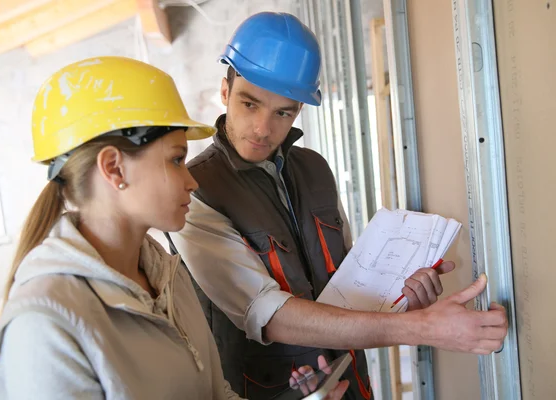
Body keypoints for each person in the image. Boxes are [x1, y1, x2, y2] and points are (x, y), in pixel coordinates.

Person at [166, 11, 509, 400]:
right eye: (249, 103)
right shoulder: (196, 191)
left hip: (350, 382)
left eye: (284, 112)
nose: (263, 129)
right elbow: (267, 315)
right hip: (276, 392)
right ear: (225, 91)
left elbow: (348, 287)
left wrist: (403, 300)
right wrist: (426, 328)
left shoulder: (314, 169)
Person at [0, 56, 347, 400]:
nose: (191, 179)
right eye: (176, 159)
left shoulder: (167, 276)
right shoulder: (43, 326)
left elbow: (215, 395)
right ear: (114, 168)